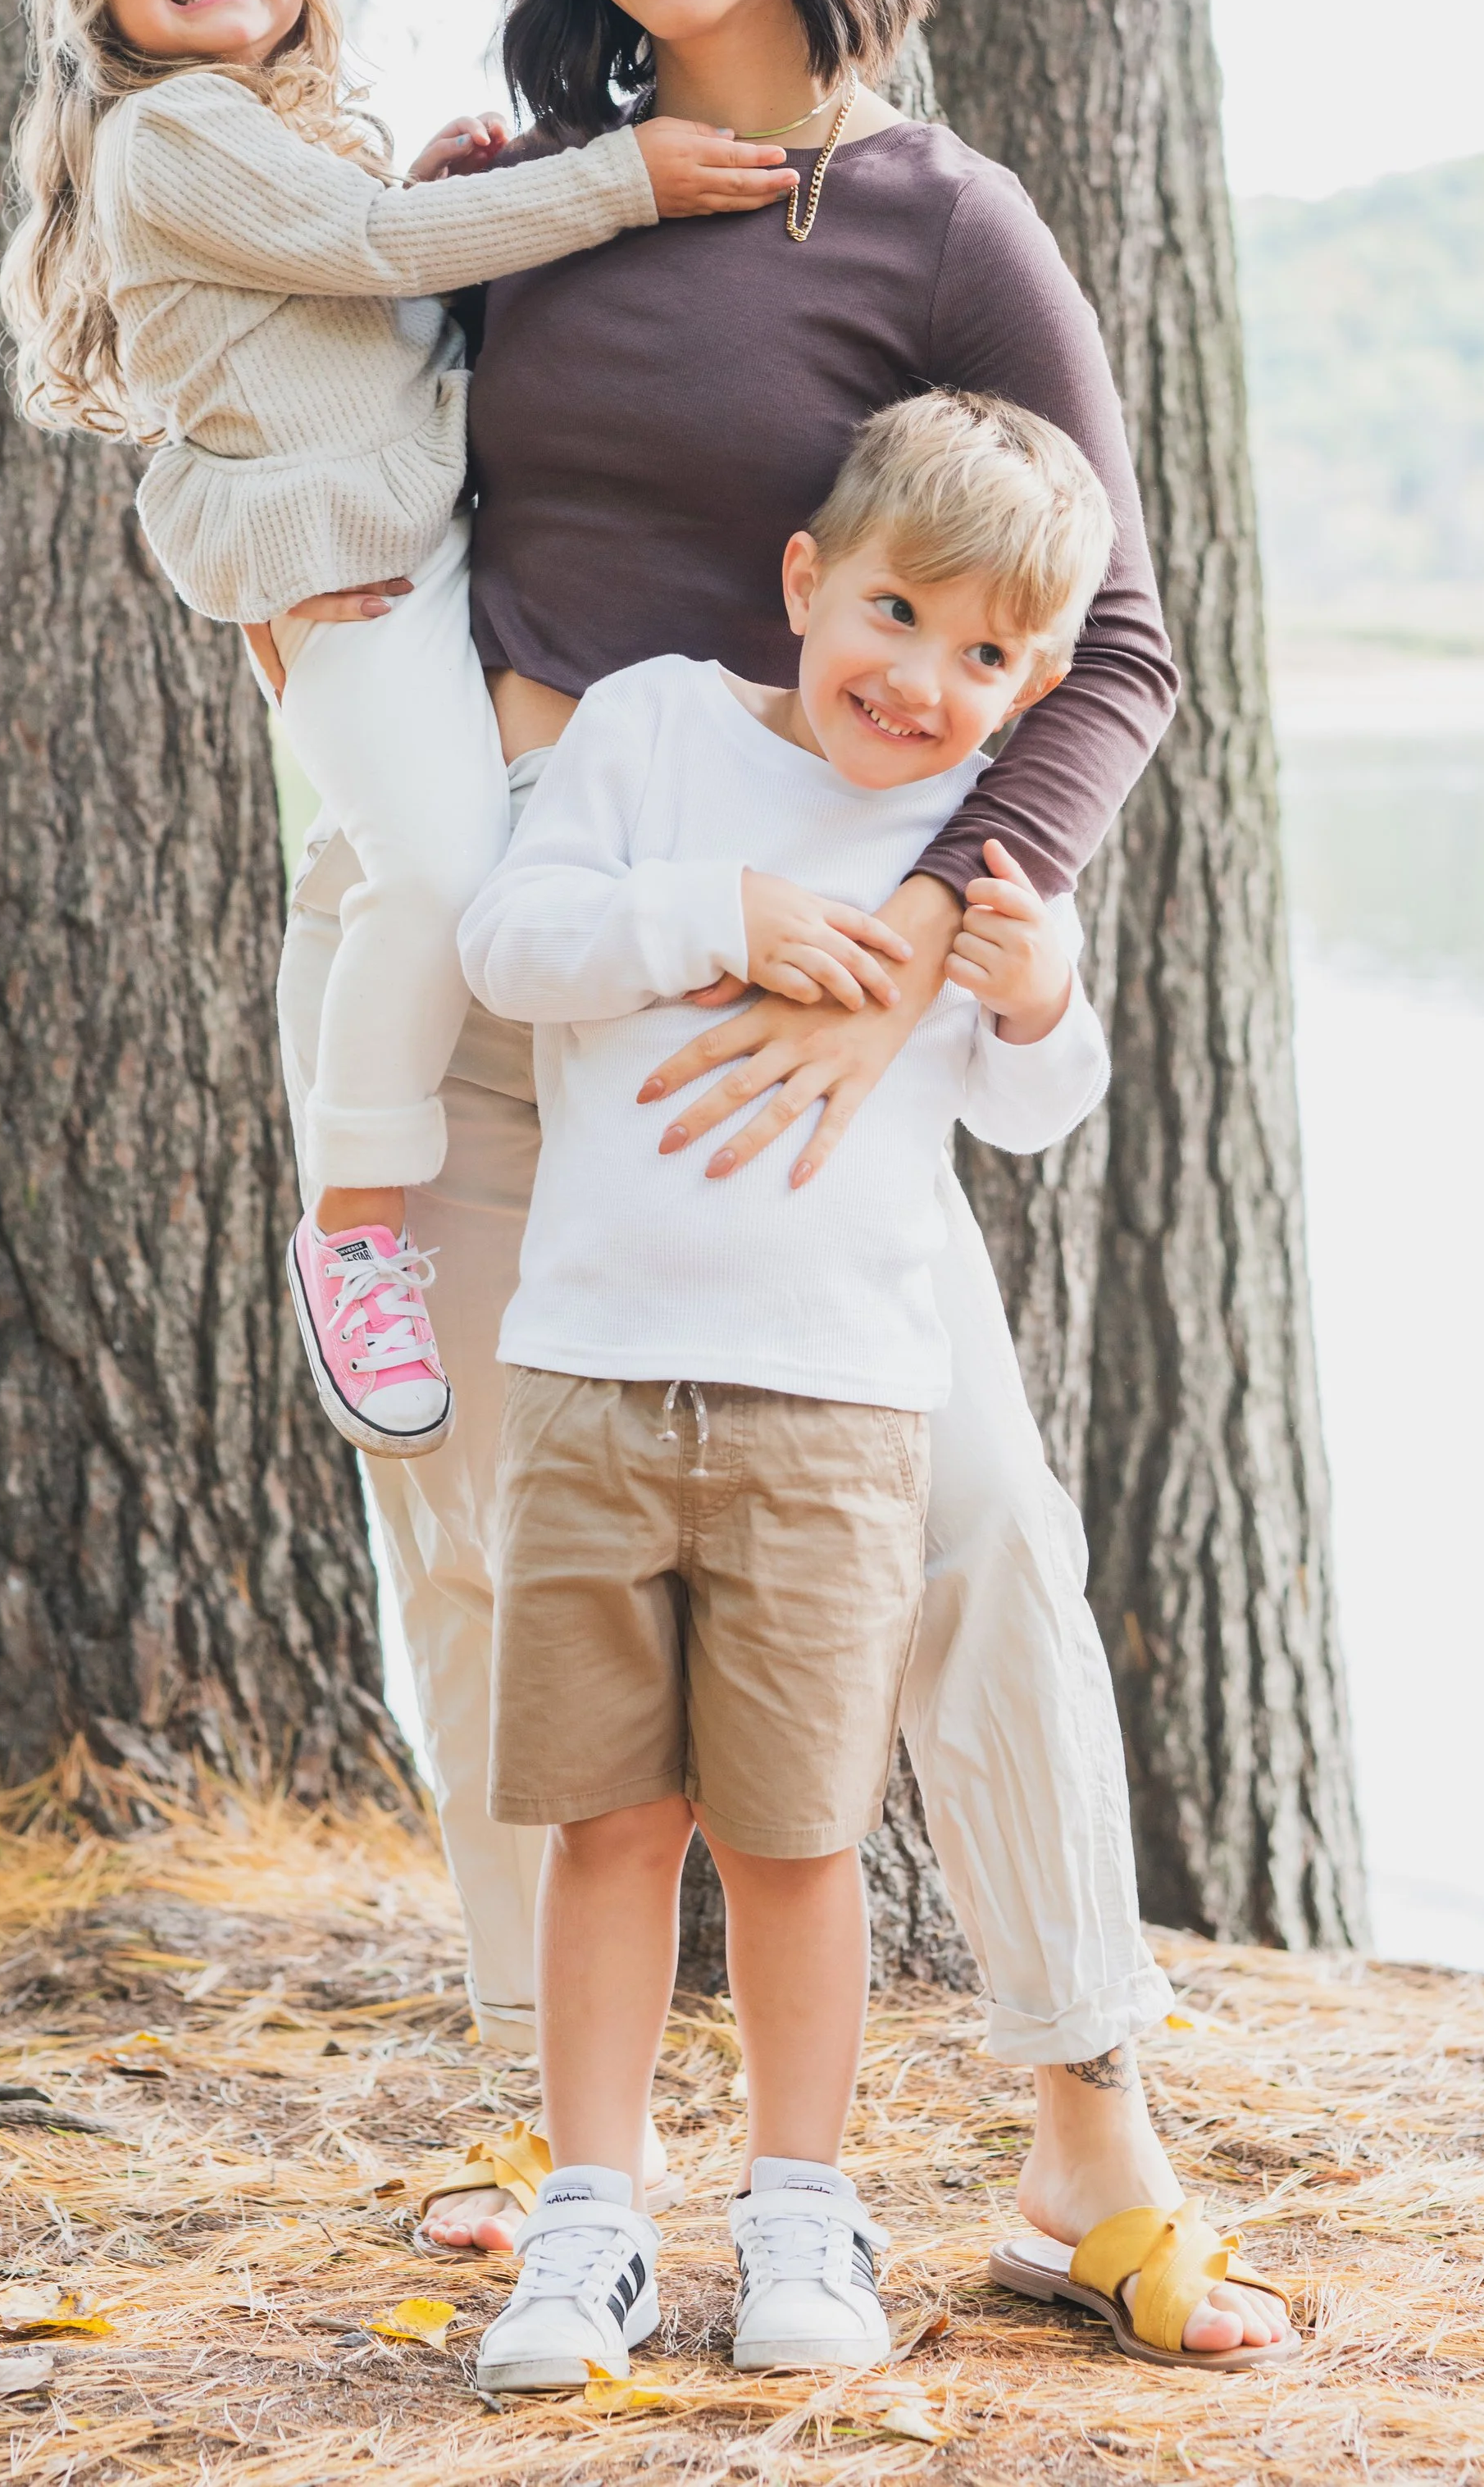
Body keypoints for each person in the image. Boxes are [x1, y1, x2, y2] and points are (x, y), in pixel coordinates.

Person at [277, 0, 1296, 2367]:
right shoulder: (522, 204)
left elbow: (1120, 644)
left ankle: (1094, 2143)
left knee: (975, 1548)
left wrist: (921, 964)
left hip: (797, 1044)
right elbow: (315, 472)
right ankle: (577, 2142)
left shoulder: (934, 215)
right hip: (500, 987)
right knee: (500, 1573)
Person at [0, 0, 794, 1459]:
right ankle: (352, 1225)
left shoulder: (266, 131)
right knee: (440, 872)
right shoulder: (167, 133)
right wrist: (625, 178)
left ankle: (385, 1126)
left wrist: (428, 204)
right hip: (350, 584)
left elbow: (369, 286)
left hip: (414, 555)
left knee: (399, 860)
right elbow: (366, 256)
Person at [457, 394, 1115, 2391]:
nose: (918, 682)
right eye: (894, 614)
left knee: (797, 1838)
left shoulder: (976, 856)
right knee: (604, 1822)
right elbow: (508, 943)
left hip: (832, 1412)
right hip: (590, 1378)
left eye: (982, 654)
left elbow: (1034, 1111)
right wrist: (711, 914)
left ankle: (797, 2204)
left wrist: (1033, 991)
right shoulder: (652, 730)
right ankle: (590, 2224)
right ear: (807, 580)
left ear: (1036, 683)